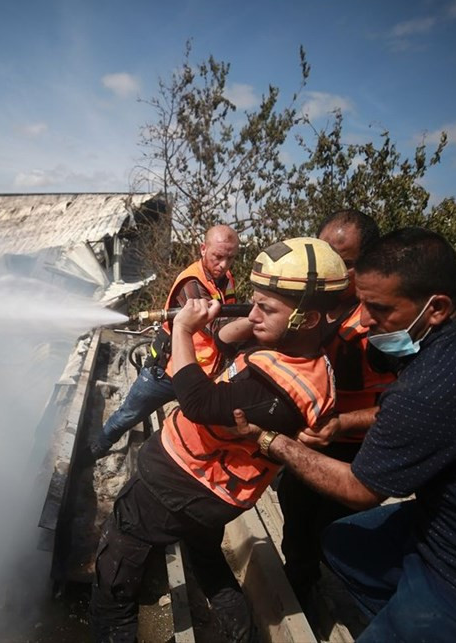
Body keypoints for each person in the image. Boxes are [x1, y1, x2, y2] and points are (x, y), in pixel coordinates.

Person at [234, 227, 456, 642]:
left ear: (436, 307)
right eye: (362, 301)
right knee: (342, 544)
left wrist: (270, 440)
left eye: (380, 308)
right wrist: (342, 423)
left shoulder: (435, 382)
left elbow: (360, 489)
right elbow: (407, 411)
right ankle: (408, 610)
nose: (366, 320)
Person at [90, 237, 349, 642]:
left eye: (266, 307)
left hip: (181, 483)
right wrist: (249, 316)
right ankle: (239, 633)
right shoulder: (296, 351)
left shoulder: (277, 385)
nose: (253, 313)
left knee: (118, 559)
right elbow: (226, 340)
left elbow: (195, 401)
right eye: (253, 302)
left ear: (309, 318)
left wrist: (181, 328)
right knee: (206, 556)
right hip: (214, 491)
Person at [276, 210, 396, 610]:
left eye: (345, 263)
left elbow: (406, 407)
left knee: (332, 534)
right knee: (296, 521)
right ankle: (301, 588)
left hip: (354, 453)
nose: (333, 270)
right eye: (326, 256)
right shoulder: (311, 305)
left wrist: (343, 422)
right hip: (308, 444)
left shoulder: (382, 324)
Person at [89, 224, 239, 459]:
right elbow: (218, 330)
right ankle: (97, 448)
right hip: (166, 372)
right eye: (218, 257)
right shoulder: (191, 283)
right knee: (129, 414)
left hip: (198, 374)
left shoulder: (226, 278)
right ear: (203, 249)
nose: (224, 265)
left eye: (230, 258)